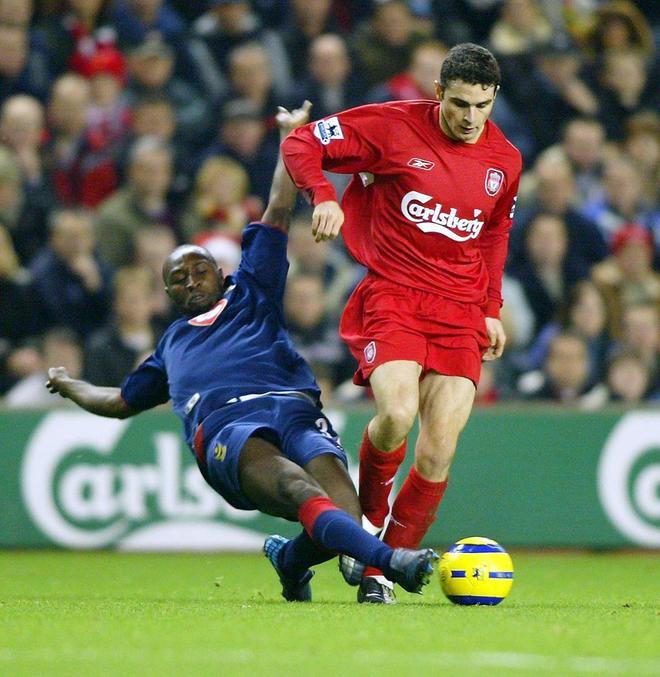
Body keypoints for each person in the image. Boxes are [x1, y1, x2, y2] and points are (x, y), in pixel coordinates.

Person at [45, 101, 437, 604]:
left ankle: (290, 560)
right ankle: (391, 564)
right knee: (300, 491)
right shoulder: (171, 345)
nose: (190, 282)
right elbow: (120, 401)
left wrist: (289, 139)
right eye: (177, 279)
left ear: (221, 272)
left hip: (294, 407)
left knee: (345, 512)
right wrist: (70, 386)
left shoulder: (253, 288)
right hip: (228, 430)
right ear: (167, 295)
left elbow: (277, 207)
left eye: (198, 270)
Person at [282, 43, 523, 603]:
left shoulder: (505, 160)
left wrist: (490, 308)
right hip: (395, 294)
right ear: (439, 92)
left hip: (461, 310)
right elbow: (301, 141)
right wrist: (324, 196)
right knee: (395, 414)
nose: (470, 118)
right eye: (460, 103)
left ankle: (378, 574)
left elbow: (493, 235)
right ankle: (364, 534)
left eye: (482, 106)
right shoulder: (391, 128)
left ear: (494, 100)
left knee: (438, 449)